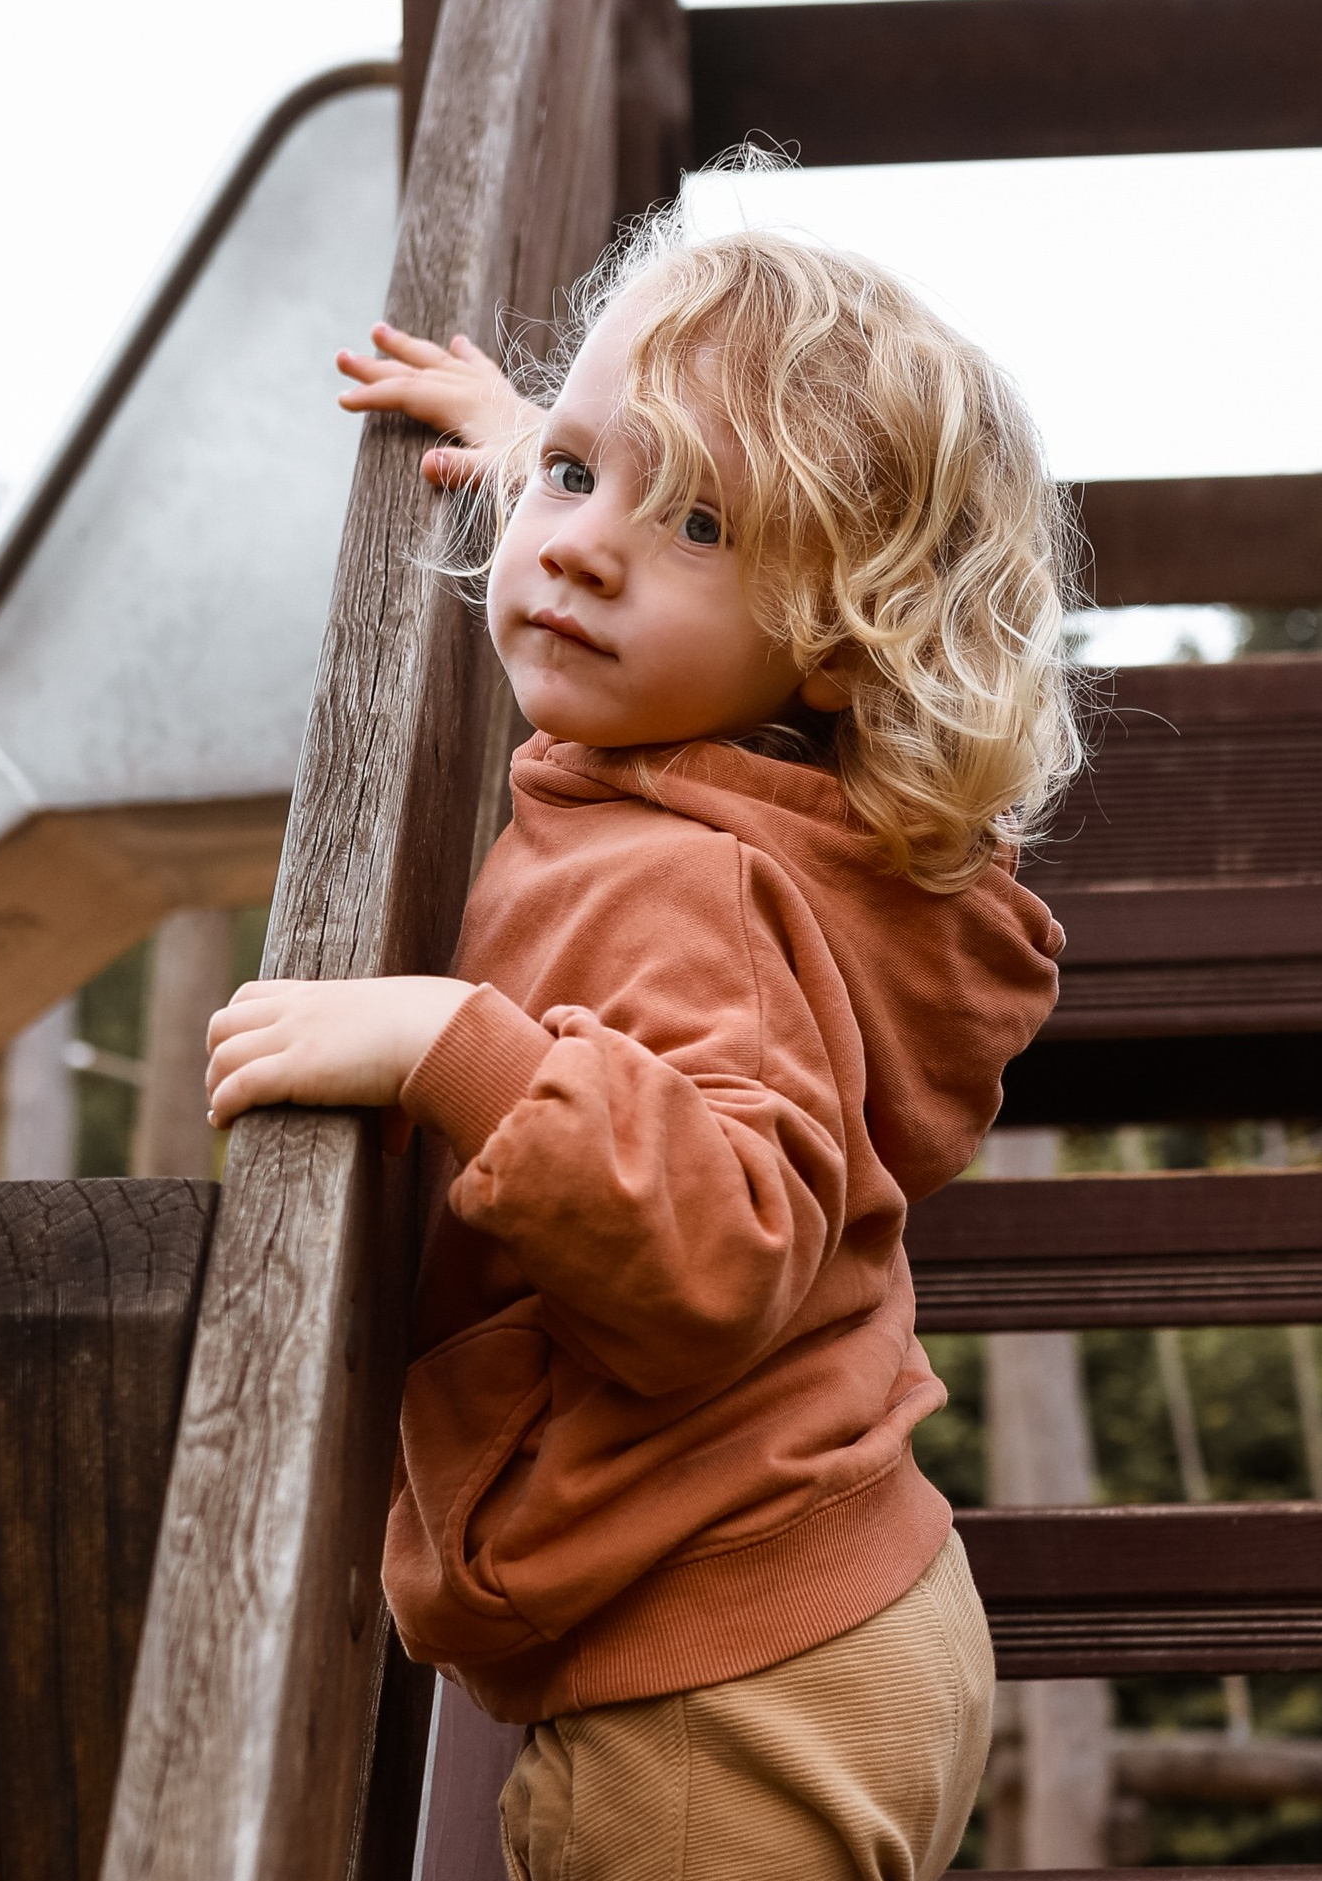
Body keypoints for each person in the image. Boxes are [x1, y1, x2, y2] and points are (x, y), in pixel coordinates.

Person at [205, 204, 1079, 1880]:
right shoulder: (774, 808)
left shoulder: (689, 885)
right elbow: (644, 525)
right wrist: (525, 435)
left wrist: (456, 1045)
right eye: (576, 477)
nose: (585, 547)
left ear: (831, 636)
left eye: (695, 520)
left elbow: (723, 1239)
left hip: (725, 1688)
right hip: (823, 1609)